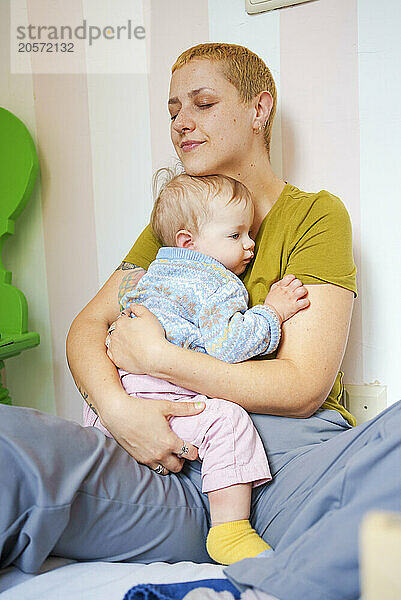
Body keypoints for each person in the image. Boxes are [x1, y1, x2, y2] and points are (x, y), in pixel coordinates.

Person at [0, 42, 400, 600]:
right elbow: (88, 329)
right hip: (166, 461)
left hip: (289, 466)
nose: (181, 124)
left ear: (259, 110)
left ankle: (272, 579)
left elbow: (302, 386)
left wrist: (161, 358)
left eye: (202, 104)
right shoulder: (177, 222)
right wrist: (119, 413)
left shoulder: (314, 214)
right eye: (172, 111)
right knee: (8, 440)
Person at [84, 170, 309, 565]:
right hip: (168, 397)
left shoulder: (151, 273)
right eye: (235, 235)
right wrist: (273, 311)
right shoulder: (215, 283)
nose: (250, 244)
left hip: (120, 395)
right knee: (230, 421)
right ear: (189, 242)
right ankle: (230, 531)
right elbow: (229, 345)